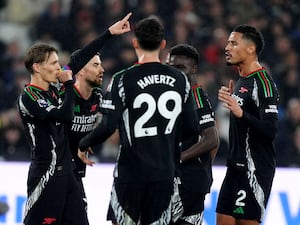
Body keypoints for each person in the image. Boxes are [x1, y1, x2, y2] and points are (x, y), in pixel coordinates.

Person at [77, 16, 198, 225]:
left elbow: (108, 125)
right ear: (162, 45)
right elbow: (192, 128)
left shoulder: (122, 78)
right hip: (164, 174)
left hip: (130, 173)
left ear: (135, 43)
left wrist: (84, 144)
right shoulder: (180, 81)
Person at [17, 13, 131, 225]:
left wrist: (108, 34)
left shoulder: (54, 89)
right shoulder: (30, 97)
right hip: (46, 174)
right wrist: (69, 84)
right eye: (53, 64)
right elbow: (64, 114)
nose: (59, 68)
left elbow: (78, 60)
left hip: (68, 173)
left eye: (59, 63)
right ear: (37, 67)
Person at [216, 24, 279, 225]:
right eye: (227, 43)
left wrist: (241, 113)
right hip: (234, 167)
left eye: (233, 43)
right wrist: (234, 103)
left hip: (255, 169)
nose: (227, 47)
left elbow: (271, 129)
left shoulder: (264, 82)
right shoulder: (243, 79)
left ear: (251, 49)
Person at [167, 44, 219, 225]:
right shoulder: (174, 95)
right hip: (179, 177)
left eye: (181, 67)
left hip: (186, 180)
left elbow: (212, 139)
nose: (175, 72)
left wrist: (181, 158)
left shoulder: (195, 94)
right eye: (171, 67)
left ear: (194, 68)